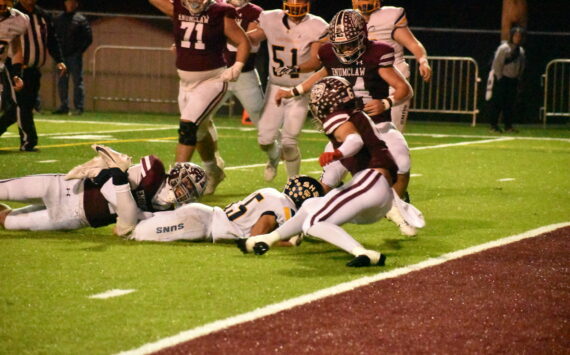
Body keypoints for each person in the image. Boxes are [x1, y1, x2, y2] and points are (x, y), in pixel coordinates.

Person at [238, 76, 419, 267]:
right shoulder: (354, 113)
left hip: (371, 181)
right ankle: (266, 239)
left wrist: (337, 154)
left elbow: (354, 140)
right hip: (376, 194)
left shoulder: (338, 116)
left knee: (314, 222)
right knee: (310, 206)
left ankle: (364, 253)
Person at [275, 9, 416, 236]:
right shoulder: (329, 53)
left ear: (362, 36)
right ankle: (308, 222)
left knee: (402, 163)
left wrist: (386, 103)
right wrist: (294, 90)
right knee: (329, 178)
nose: (345, 50)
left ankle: (396, 209)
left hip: (378, 125)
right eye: (340, 45)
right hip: (346, 126)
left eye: (350, 44)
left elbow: (404, 90)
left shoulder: (378, 53)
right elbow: (322, 73)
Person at [148, 0, 250, 199]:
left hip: (212, 79)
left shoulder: (221, 11)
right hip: (185, 83)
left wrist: (237, 66)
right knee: (200, 130)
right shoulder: (177, 7)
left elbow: (243, 41)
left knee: (188, 126)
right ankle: (213, 170)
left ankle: (175, 182)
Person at [0, 145, 207, 236]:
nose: (185, 190)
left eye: (192, 189)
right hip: (67, 188)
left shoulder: (167, 212)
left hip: (76, 217)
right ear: (177, 174)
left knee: (10, 222)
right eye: (187, 183)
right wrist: (109, 177)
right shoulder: (153, 172)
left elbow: (126, 226)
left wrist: (118, 185)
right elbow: (113, 183)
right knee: (4, 190)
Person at [246, 0, 327, 182]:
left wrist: (293, 69)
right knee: (264, 140)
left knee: (289, 141)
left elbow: (315, 61)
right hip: (275, 86)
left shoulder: (317, 25)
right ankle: (274, 157)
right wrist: (227, 32)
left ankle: (294, 182)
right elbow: (251, 37)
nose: (296, 8)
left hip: (300, 89)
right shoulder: (270, 18)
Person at [125, 175, 323, 243]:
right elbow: (256, 237)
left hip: (203, 216)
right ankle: (116, 186)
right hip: (201, 225)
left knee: (139, 220)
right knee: (134, 233)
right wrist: (288, 244)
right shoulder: (285, 206)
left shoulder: (272, 193)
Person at [197, 0, 265, 195]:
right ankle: (212, 167)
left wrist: (221, 33)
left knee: (262, 123)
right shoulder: (215, 7)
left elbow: (251, 38)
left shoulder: (254, 11)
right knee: (200, 120)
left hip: (244, 73)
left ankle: (274, 155)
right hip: (217, 71)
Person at [352, 0, 431, 132]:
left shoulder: (390, 16)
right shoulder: (348, 19)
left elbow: (412, 43)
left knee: (393, 131)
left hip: (394, 80)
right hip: (365, 80)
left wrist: (423, 60)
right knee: (363, 133)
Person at [6, 0, 66, 152]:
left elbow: (52, 39)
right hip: (15, 68)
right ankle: (29, 141)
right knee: (21, 105)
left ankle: (29, 141)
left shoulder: (42, 15)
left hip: (34, 69)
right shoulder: (12, 14)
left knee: (19, 109)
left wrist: (59, 60)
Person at [52, 0, 92, 116]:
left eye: (72, 2)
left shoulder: (81, 19)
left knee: (77, 81)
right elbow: (53, 36)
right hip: (62, 56)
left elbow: (88, 38)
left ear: (76, 4)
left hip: (74, 56)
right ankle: (64, 106)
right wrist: (57, 53)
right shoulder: (58, 19)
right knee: (62, 82)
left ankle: (79, 107)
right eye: (68, 2)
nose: (70, 5)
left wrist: (79, 51)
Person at [486, 25, 525, 133]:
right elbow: (497, 64)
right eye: (516, 35)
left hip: (513, 80)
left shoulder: (521, 51)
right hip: (502, 79)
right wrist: (499, 78)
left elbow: (521, 66)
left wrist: (518, 78)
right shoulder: (504, 48)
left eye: (520, 36)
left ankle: (508, 125)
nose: (518, 38)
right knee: (497, 103)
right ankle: (493, 125)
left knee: (510, 104)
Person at [0, 0, 28, 140]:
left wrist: (17, 74)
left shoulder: (19, 19)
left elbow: (16, 48)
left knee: (12, 109)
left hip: (1, 68)